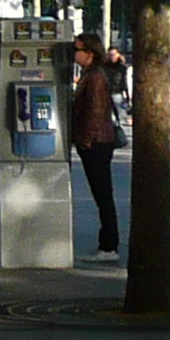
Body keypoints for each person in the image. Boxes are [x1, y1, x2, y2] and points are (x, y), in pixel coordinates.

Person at [68, 33, 121, 261]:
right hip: (96, 140)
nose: (74, 54)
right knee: (102, 193)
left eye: (77, 49)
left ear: (89, 53)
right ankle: (108, 242)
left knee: (103, 193)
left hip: (97, 142)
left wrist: (86, 140)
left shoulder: (95, 77)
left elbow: (96, 110)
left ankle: (109, 244)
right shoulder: (91, 74)